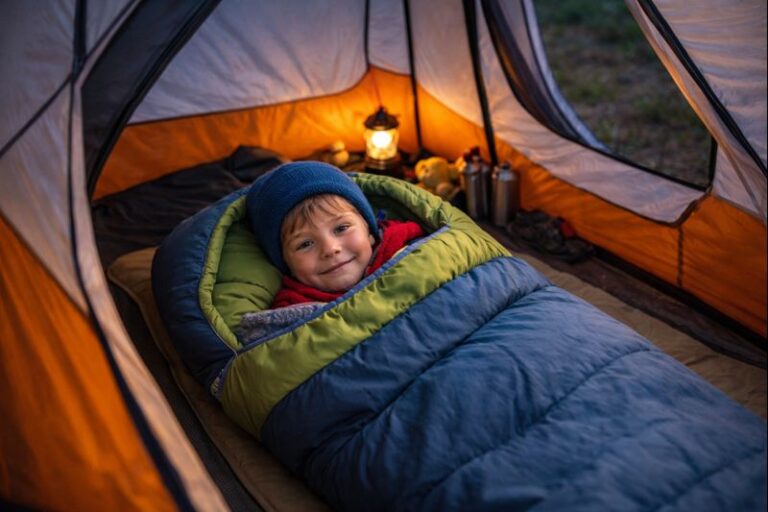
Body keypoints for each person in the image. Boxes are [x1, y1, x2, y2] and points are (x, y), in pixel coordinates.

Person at [239, 161, 423, 340]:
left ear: (369, 230)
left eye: (341, 228)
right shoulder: (290, 319)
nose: (330, 249)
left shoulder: (412, 247)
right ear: (285, 263)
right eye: (305, 244)